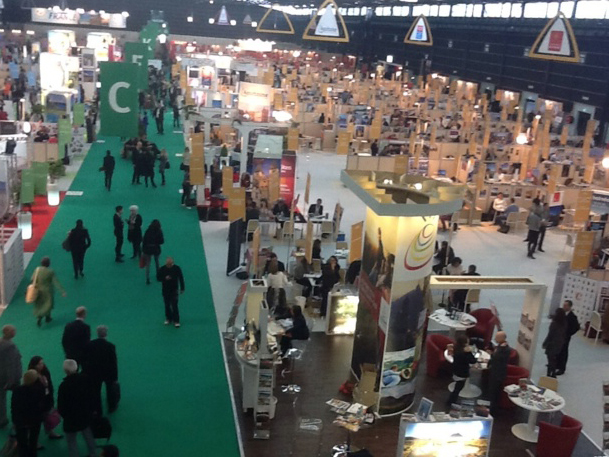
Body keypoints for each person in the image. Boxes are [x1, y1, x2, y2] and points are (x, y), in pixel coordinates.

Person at [57, 360, 97, 457]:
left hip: (70, 418)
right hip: (85, 414)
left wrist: (64, 415)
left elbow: (61, 404)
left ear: (66, 371)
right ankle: (93, 453)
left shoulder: (64, 386)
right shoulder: (86, 379)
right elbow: (92, 396)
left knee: (71, 441)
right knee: (88, 435)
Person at [82, 326, 118, 416]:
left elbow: (85, 359)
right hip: (107, 373)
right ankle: (111, 407)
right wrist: (115, 376)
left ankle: (98, 410)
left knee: (95, 392)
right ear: (105, 334)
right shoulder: (110, 346)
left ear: (97, 333)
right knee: (110, 390)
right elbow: (113, 362)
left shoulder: (89, 345)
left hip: (94, 373)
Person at [28, 356, 63, 441]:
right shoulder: (32, 375)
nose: (42, 365)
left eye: (42, 363)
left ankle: (50, 432)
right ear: (34, 365)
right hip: (37, 401)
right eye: (39, 364)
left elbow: (49, 384)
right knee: (36, 421)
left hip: (46, 398)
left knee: (48, 417)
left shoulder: (46, 372)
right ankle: (33, 440)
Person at [11, 370, 44, 457]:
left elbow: (14, 407)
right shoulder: (39, 390)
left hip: (20, 421)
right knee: (33, 442)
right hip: (34, 421)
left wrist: (15, 421)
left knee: (22, 444)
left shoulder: (17, 390)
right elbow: (42, 405)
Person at [32, 257, 66, 327]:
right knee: (48, 304)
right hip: (48, 291)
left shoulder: (37, 270)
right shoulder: (50, 272)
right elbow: (55, 282)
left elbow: (32, 279)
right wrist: (62, 291)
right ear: (48, 264)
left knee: (40, 304)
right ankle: (47, 317)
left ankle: (39, 317)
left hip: (39, 290)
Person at [0, 325, 21, 428]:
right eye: (13, 330)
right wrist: (11, 381)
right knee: (18, 397)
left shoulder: (1, 342)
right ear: (7, 332)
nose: (15, 332)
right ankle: (18, 417)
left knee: (1, 399)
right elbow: (11, 365)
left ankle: (1, 419)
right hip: (10, 378)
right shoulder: (10, 346)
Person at [447, 335, 477, 405]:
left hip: (455, 370)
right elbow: (473, 361)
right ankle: (451, 402)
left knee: (457, 387)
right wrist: (470, 352)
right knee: (458, 388)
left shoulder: (456, 348)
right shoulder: (465, 353)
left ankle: (451, 401)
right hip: (462, 373)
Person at [157, 257, 185, 328]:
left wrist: (182, 288)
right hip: (165, 290)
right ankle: (168, 318)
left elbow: (181, 278)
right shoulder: (162, 269)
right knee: (167, 305)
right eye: (168, 264)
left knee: (174, 305)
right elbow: (158, 278)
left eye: (170, 264)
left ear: (172, 263)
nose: (169, 265)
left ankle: (176, 320)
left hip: (174, 290)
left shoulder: (177, 268)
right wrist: (164, 278)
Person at [487, 331, 511, 415]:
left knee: (495, 393)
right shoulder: (499, 347)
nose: (495, 339)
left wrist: (492, 355)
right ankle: (491, 407)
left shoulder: (505, 349)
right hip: (494, 372)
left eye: (497, 337)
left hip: (498, 374)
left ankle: (493, 411)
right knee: (492, 391)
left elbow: (497, 359)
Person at [556, 300, 580, 376]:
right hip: (558, 336)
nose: (564, 306)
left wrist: (568, 334)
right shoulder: (561, 314)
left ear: (569, 307)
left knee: (563, 352)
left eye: (566, 305)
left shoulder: (572, 317)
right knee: (557, 350)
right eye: (563, 305)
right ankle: (556, 364)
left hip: (565, 337)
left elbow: (576, 327)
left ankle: (562, 368)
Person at [542, 307, 567, 378]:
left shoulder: (554, 324)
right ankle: (552, 372)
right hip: (559, 343)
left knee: (550, 358)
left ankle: (550, 373)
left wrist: (545, 343)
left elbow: (550, 335)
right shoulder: (564, 323)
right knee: (553, 358)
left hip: (552, 344)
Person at [142, 220, 164, 285]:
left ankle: (147, 278)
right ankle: (158, 276)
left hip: (147, 249)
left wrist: (143, 249)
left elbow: (144, 240)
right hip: (156, 249)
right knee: (157, 262)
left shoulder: (148, 231)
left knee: (148, 264)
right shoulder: (159, 231)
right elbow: (162, 241)